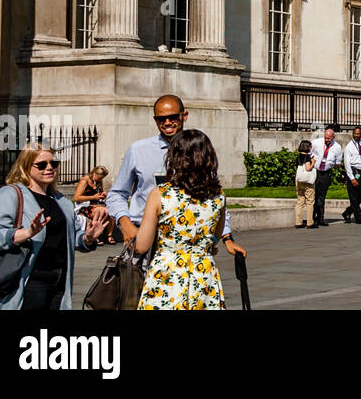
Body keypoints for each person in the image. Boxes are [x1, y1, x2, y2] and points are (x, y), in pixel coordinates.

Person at [106, 94, 242, 256]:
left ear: (184, 116)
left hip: (186, 241)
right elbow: (116, 194)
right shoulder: (138, 150)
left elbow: (213, 197)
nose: (167, 123)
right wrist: (125, 223)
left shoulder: (198, 151)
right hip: (143, 234)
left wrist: (226, 237)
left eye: (172, 117)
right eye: (161, 119)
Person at [0, 144, 108, 310]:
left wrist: (88, 238)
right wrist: (26, 233)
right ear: (26, 167)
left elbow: (72, 238)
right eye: (41, 165)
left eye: (53, 164)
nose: (49, 168)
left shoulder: (60, 201)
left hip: (59, 282)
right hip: (26, 281)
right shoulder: (10, 195)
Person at [135, 129, 228, 310]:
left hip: (167, 275)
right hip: (204, 275)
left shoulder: (161, 194)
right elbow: (216, 235)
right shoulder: (218, 196)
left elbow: (142, 245)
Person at [306, 125, 343, 229]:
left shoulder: (337, 147)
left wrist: (330, 165)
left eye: (329, 138)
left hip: (326, 173)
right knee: (314, 195)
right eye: (325, 137)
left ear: (333, 137)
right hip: (316, 171)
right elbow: (308, 153)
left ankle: (321, 218)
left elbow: (338, 162)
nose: (327, 140)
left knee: (322, 196)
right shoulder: (316, 142)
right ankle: (312, 218)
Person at [73, 164, 114, 244]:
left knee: (111, 210)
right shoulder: (84, 181)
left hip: (95, 206)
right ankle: (95, 235)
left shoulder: (97, 181)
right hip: (84, 207)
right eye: (100, 178)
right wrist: (93, 197)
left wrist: (102, 195)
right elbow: (77, 197)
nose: (101, 179)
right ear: (94, 174)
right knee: (102, 211)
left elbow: (98, 195)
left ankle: (109, 235)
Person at [294, 139, 315, 228]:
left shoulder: (298, 156)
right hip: (307, 182)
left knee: (300, 202)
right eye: (310, 146)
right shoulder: (307, 157)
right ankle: (310, 222)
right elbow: (307, 168)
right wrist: (313, 162)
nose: (311, 148)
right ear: (307, 147)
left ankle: (298, 222)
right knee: (310, 202)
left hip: (299, 180)